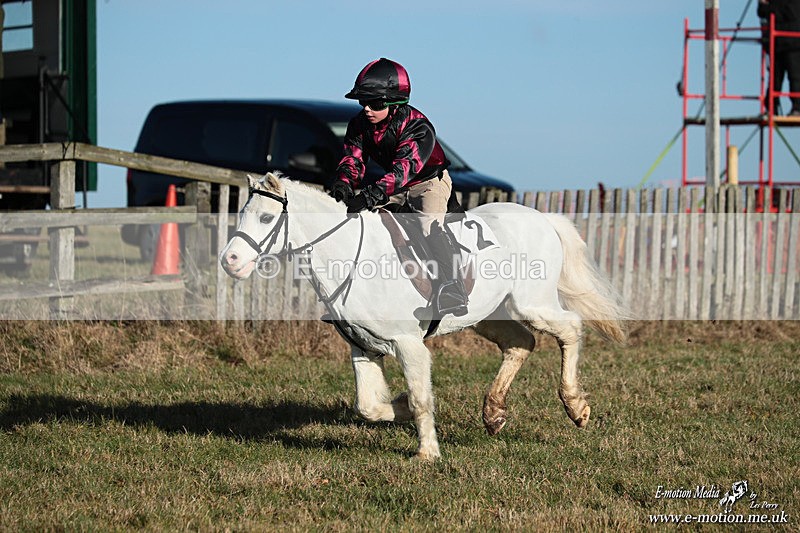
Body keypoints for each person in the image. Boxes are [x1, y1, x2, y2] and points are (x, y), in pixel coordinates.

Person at [328, 58, 468, 317]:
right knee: (363, 222)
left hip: (428, 183)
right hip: (395, 185)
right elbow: (353, 159)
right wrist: (343, 185)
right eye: (363, 102)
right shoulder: (359, 124)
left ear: (395, 104)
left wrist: (370, 194)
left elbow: (404, 170)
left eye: (375, 103)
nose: (367, 109)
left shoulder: (418, 125)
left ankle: (452, 288)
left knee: (429, 226)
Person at [758, 0, 800, 115]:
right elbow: (761, 11)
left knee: (795, 77)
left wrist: (769, 9)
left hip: (793, 42)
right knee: (774, 79)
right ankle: (771, 107)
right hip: (776, 42)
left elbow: (791, 13)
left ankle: (797, 107)